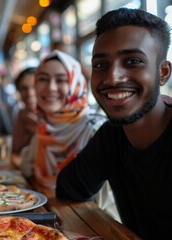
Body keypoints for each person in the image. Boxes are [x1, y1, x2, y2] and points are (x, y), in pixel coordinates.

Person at [56, 8, 172, 240]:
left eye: (133, 61)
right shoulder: (113, 134)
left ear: (163, 72)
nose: (112, 78)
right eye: (101, 65)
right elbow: (69, 188)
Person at [20, 50, 119, 220]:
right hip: (52, 219)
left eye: (61, 80)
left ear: (76, 84)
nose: (50, 87)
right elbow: (26, 167)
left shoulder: (95, 130)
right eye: (43, 79)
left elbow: (101, 205)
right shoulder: (46, 127)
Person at [11, 67, 38, 154]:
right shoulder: (21, 113)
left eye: (34, 87)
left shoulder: (54, 116)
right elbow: (15, 147)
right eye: (24, 88)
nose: (30, 93)